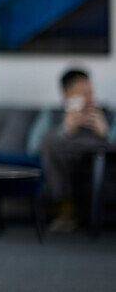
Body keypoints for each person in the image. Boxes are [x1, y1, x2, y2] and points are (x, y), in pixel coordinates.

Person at [26, 67, 116, 231]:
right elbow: (33, 147)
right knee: (49, 139)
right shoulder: (52, 114)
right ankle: (66, 208)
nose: (89, 99)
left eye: (90, 92)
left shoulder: (107, 113)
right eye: (82, 93)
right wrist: (65, 129)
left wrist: (106, 132)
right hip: (65, 159)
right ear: (67, 94)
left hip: (99, 157)